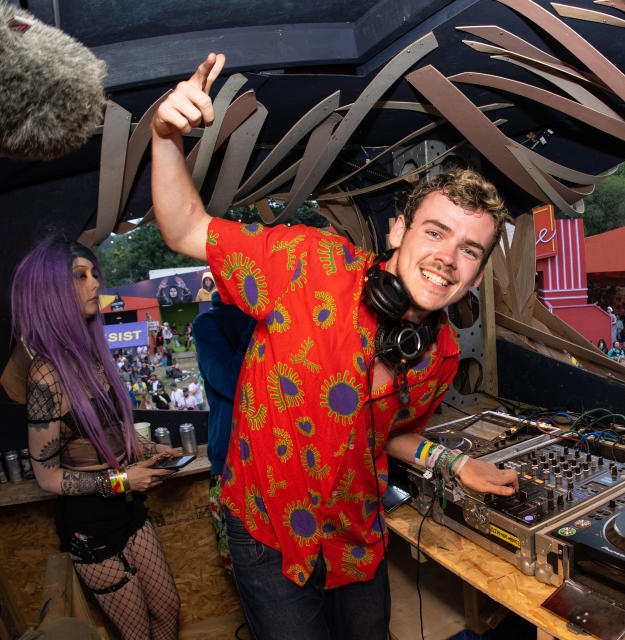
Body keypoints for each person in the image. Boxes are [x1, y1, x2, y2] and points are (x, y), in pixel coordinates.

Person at [150, 53, 519, 639]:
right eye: (435, 231)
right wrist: (165, 137)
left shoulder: (441, 352)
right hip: (268, 532)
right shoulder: (305, 263)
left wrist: (453, 461)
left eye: (470, 250)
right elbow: (185, 228)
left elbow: (391, 432)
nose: (448, 258)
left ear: (477, 274)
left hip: (355, 539)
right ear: (399, 230)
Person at [11, 237, 181, 639]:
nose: (94, 285)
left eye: (94, 275)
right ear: (52, 291)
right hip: (91, 526)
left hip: (128, 509)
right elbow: (47, 477)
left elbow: (110, 435)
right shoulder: (45, 377)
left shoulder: (91, 357)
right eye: (79, 276)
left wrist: (153, 451)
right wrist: (123, 479)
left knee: (168, 608)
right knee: (137, 633)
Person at [193, 291, 255, 573]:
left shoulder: (278, 313)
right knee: (244, 566)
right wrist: (259, 326)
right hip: (231, 460)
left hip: (281, 457)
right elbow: (231, 382)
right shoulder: (208, 323)